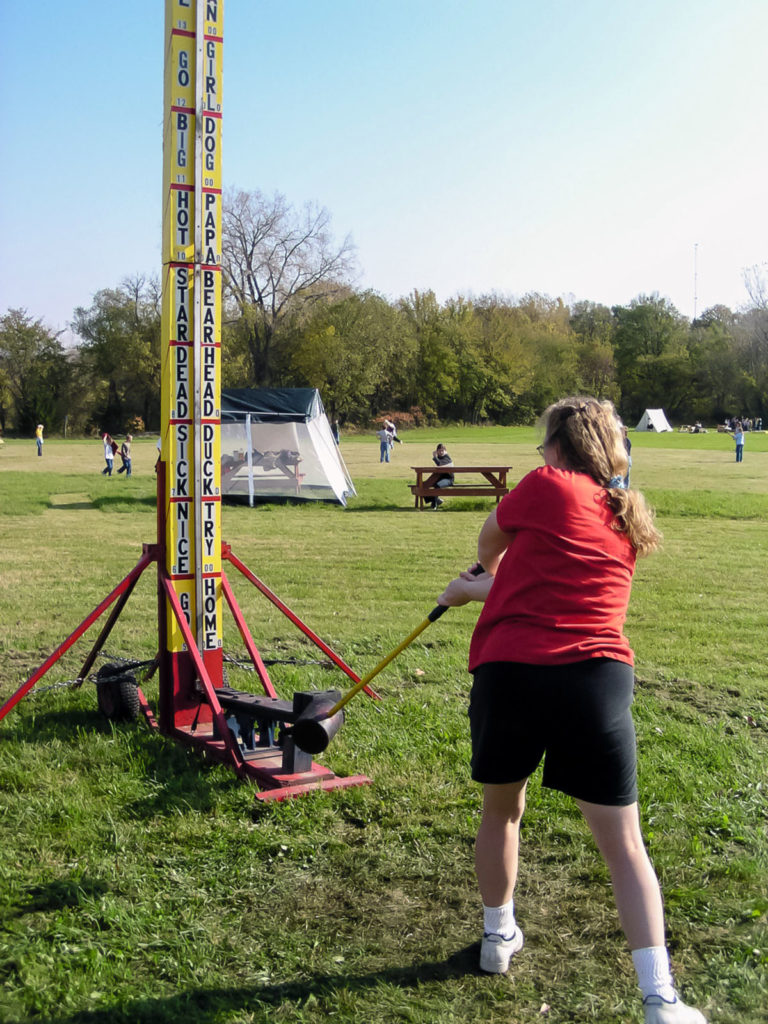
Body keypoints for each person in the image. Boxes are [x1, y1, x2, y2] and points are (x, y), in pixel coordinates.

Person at [438, 397, 706, 1024]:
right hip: (595, 681)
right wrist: (477, 589)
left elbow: (491, 541)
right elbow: (549, 582)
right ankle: (659, 997)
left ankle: (497, 936)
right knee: (625, 846)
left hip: (512, 673)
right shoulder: (624, 511)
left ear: (560, 446)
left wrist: (478, 576)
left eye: (542, 445)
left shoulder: (547, 485)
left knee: (502, 810)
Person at [429, 443, 454, 509]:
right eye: (439, 450)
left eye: (442, 450)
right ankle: (436, 500)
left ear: (445, 451)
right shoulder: (439, 457)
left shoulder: (447, 457)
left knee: (437, 485)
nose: (441, 452)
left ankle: (434, 505)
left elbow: (440, 465)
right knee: (427, 485)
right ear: (437, 451)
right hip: (440, 478)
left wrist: (434, 457)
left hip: (448, 479)